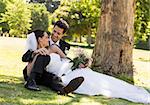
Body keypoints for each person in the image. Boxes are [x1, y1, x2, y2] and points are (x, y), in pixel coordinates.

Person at [22, 30, 84, 95]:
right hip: (30, 74)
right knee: (43, 56)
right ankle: (30, 81)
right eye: (46, 37)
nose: (48, 39)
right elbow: (24, 58)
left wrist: (77, 62)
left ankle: (63, 89)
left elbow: (65, 58)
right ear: (40, 39)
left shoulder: (50, 48)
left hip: (42, 75)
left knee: (53, 78)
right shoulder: (33, 51)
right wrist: (35, 53)